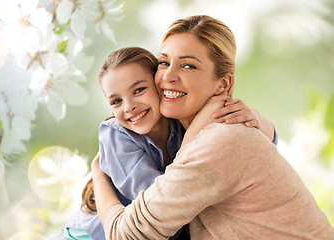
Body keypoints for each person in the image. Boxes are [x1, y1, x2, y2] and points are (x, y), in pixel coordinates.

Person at [92, 15, 334, 239]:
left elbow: (125, 234)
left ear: (223, 84)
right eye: (164, 63)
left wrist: (98, 176)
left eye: (188, 66)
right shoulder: (197, 131)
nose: (168, 77)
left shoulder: (220, 141)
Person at [63, 46, 277, 240]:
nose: (129, 107)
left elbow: (254, 147)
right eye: (116, 101)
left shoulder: (180, 121)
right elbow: (162, 212)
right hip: (90, 235)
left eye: (139, 90)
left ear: (160, 86)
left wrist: (257, 119)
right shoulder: (115, 136)